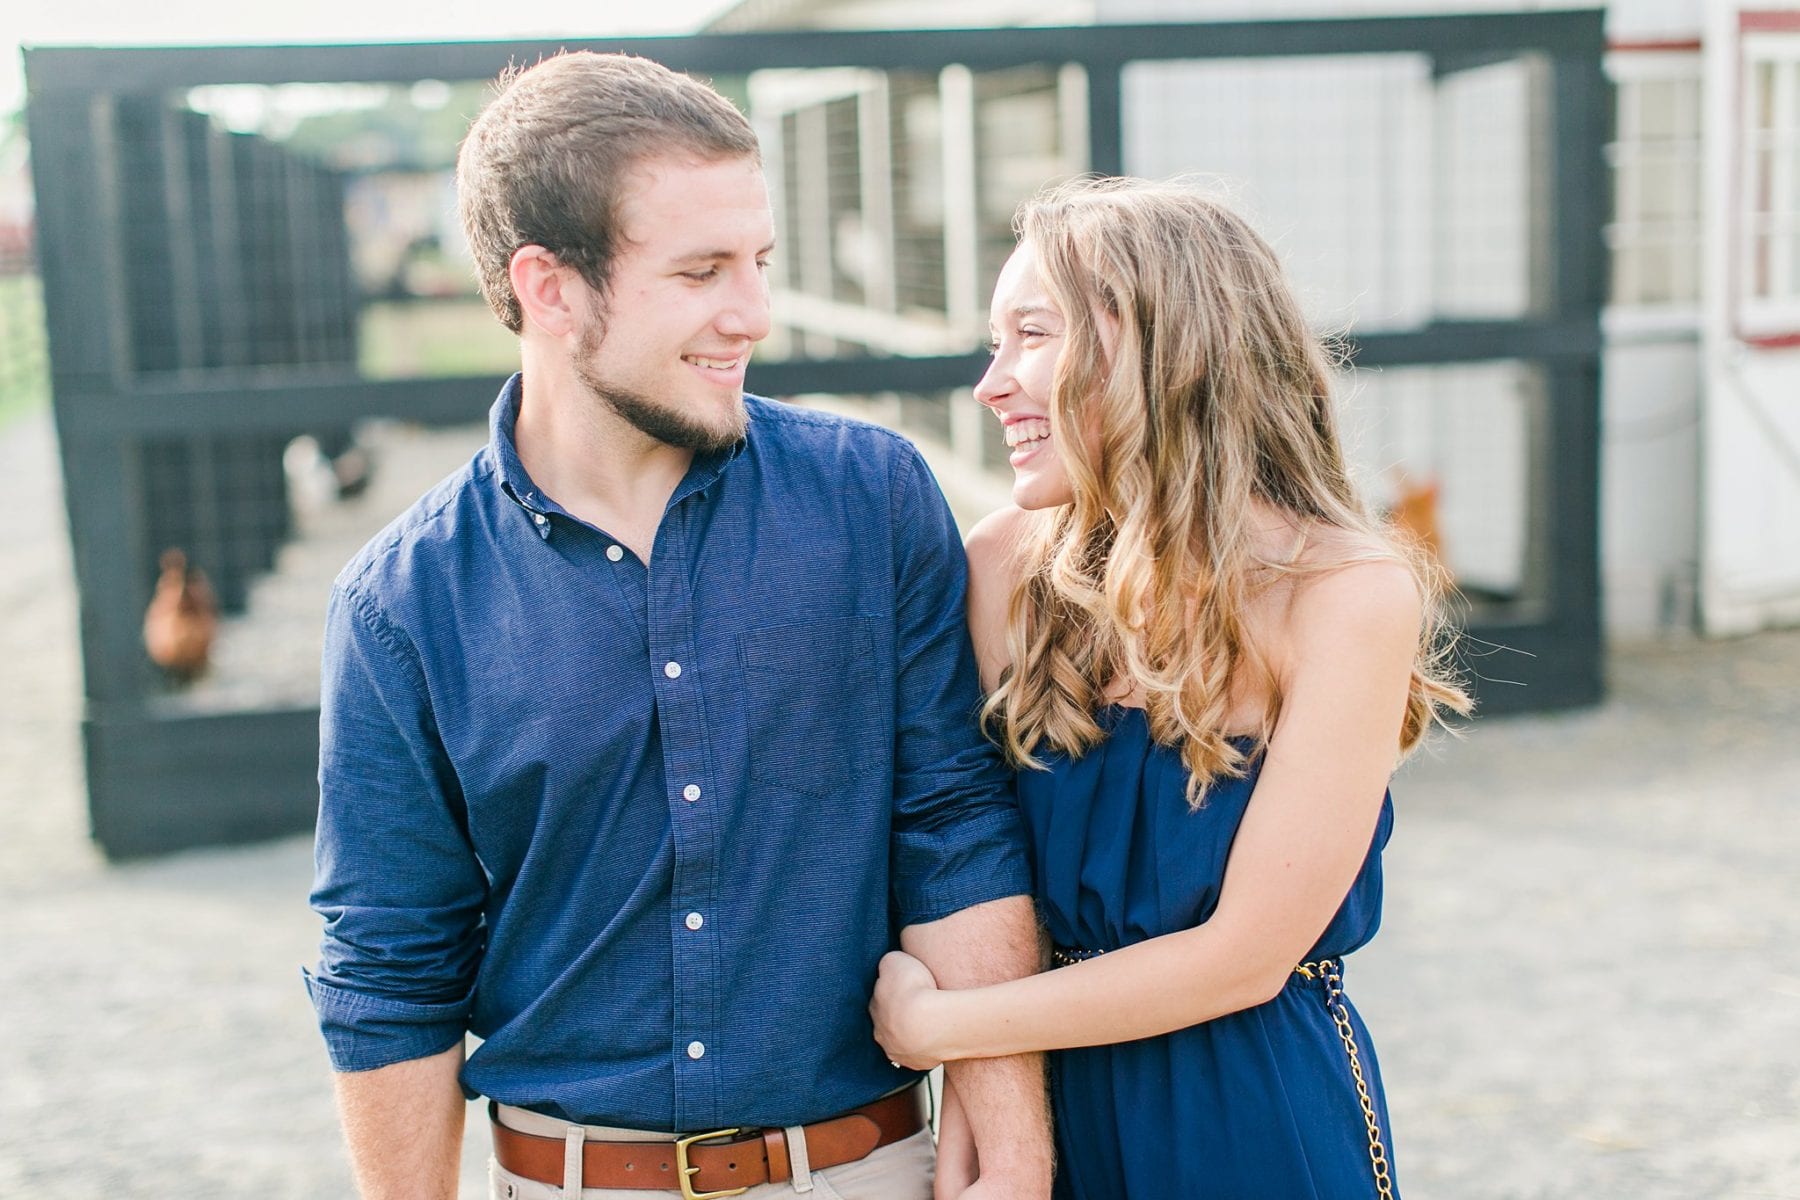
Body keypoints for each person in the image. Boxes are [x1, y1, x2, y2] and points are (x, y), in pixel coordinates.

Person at [305, 52, 1052, 1200]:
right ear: (550, 288)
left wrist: (1010, 1142)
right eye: (701, 271)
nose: (750, 312)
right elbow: (390, 968)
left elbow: (949, 820)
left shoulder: (872, 499)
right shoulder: (400, 606)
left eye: (757, 262)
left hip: (868, 1170)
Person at [869, 177, 1471, 1200]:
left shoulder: (1344, 595)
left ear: (1159, 343)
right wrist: (988, 1115)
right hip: (1051, 1118)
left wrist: (940, 1030)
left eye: (1030, 334)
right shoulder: (1001, 569)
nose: (992, 382)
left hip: (1254, 1120)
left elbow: (1242, 958)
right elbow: (956, 854)